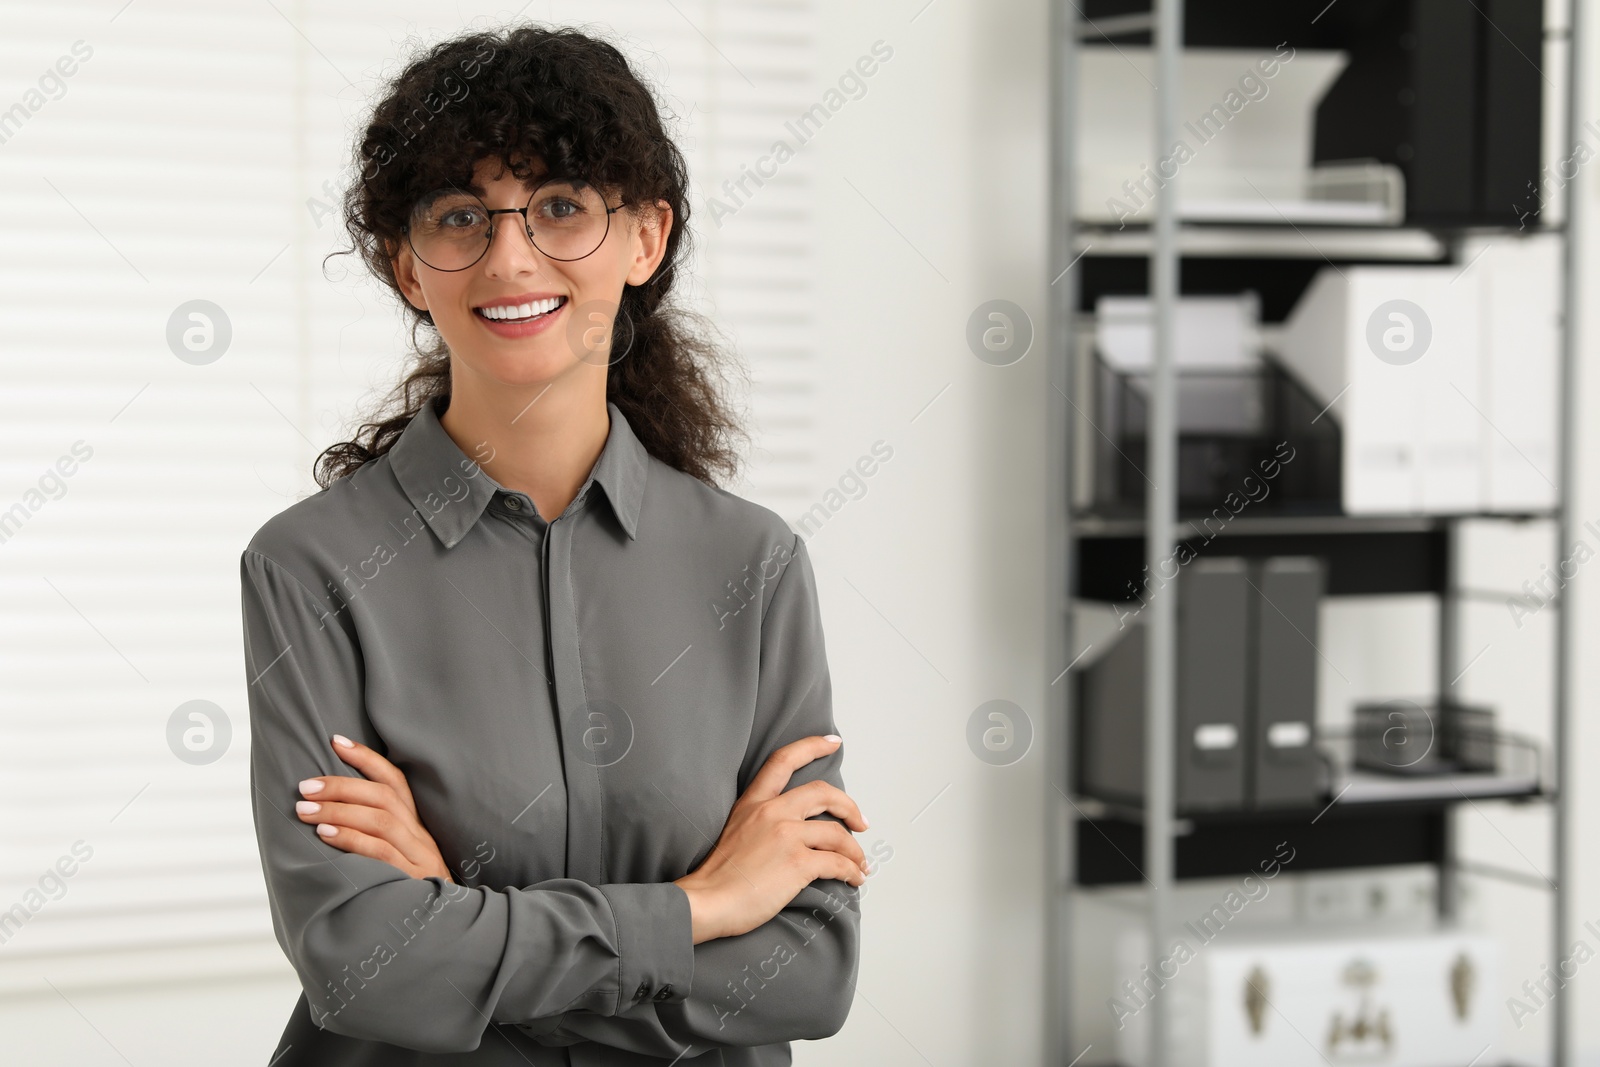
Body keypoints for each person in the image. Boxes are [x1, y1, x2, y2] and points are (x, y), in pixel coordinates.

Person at [239, 24, 868, 1065]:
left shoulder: (752, 566)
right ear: (408, 265)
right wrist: (704, 904)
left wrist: (457, 919)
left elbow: (805, 968)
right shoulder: (311, 566)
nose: (511, 257)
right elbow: (363, 967)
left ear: (645, 237)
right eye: (459, 218)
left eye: (562, 206)